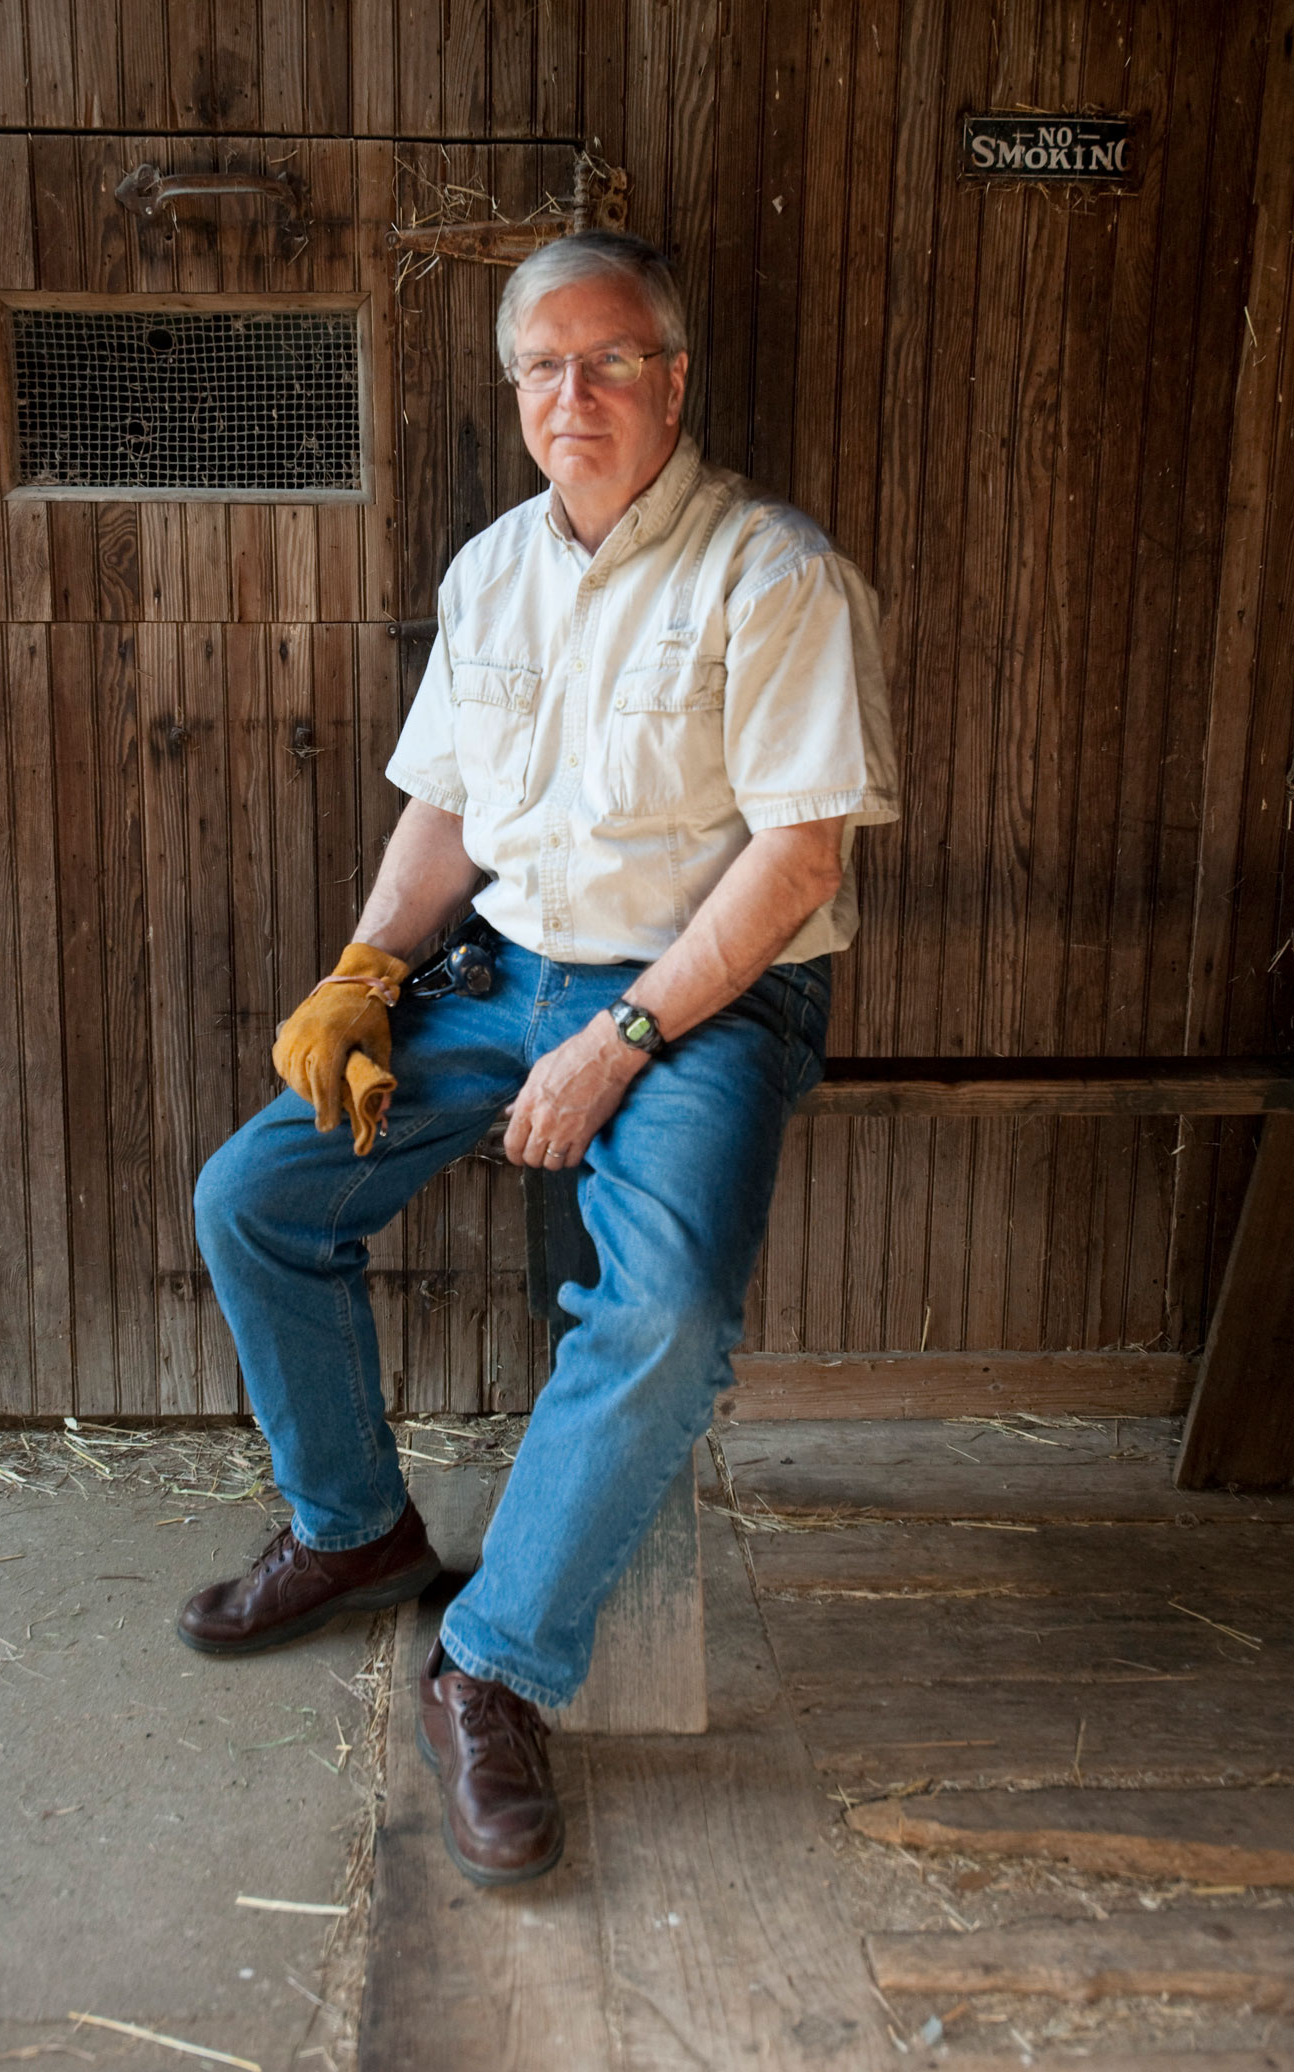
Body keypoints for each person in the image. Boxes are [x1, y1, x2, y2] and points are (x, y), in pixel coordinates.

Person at [181, 230, 898, 1886]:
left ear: (676, 376)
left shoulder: (772, 574)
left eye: (611, 361)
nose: (574, 396)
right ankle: (356, 1533)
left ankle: (493, 1666)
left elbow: (797, 865)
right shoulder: (493, 565)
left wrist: (620, 1042)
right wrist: (367, 969)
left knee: (662, 1321)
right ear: (515, 388)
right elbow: (446, 810)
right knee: (253, 1195)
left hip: (704, 997)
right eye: (543, 368)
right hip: (503, 977)